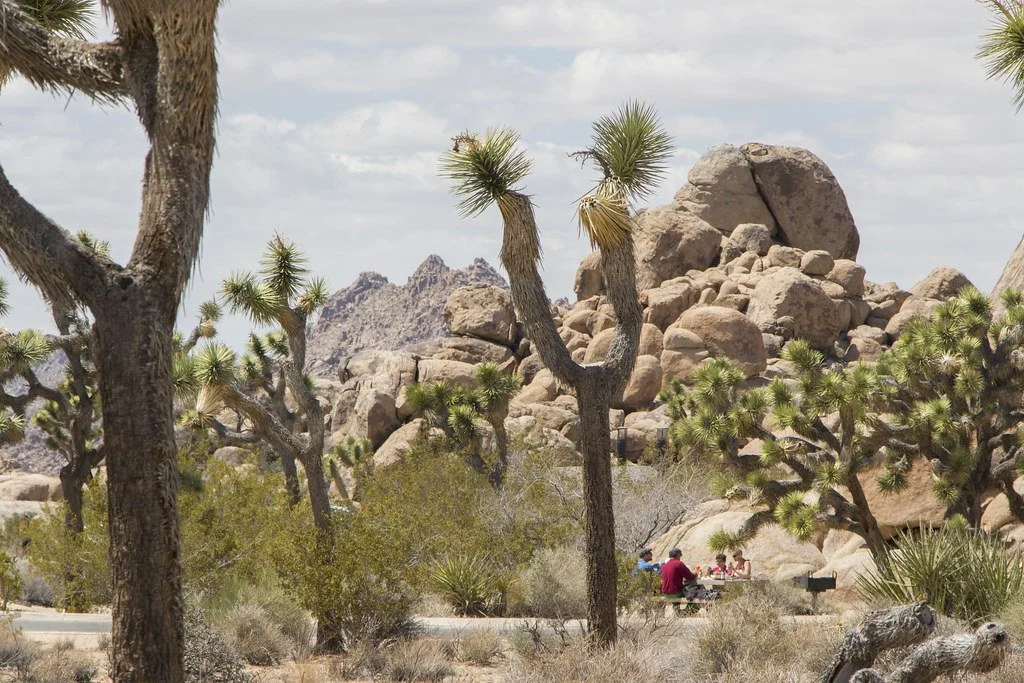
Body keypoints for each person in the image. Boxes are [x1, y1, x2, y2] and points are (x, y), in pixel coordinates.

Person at [661, 548, 697, 612]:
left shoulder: (664, 565)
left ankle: (677, 609)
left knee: (675, 588)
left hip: (666, 593)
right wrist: (695, 574)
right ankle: (687, 611)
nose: (680, 557)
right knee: (694, 593)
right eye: (680, 555)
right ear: (677, 555)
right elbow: (690, 577)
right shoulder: (679, 563)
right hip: (676, 593)